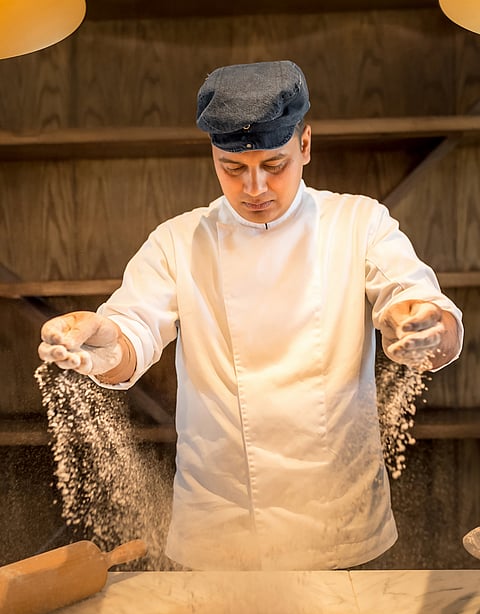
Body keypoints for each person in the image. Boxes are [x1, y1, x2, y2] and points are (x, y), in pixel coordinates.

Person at [38, 61, 463, 571]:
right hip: (220, 521)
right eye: (233, 168)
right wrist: (104, 343)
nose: (255, 187)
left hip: (339, 520)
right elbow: (131, 333)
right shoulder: (179, 241)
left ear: (305, 145)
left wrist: (424, 326)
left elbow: (414, 300)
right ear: (213, 157)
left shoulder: (358, 223)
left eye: (274, 164)